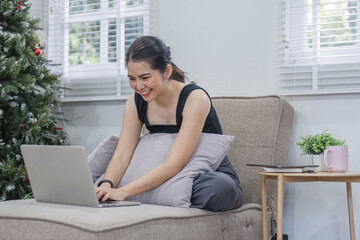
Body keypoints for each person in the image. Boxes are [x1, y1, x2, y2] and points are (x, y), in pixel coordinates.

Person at [95, 36, 243, 211]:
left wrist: (124, 191)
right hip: (165, 175)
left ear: (166, 71)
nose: (139, 86)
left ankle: (152, 193)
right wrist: (107, 185)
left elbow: (175, 163)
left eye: (145, 77)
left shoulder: (195, 98)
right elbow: (121, 155)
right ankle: (156, 193)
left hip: (201, 175)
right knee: (95, 183)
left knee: (221, 188)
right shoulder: (135, 103)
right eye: (132, 79)